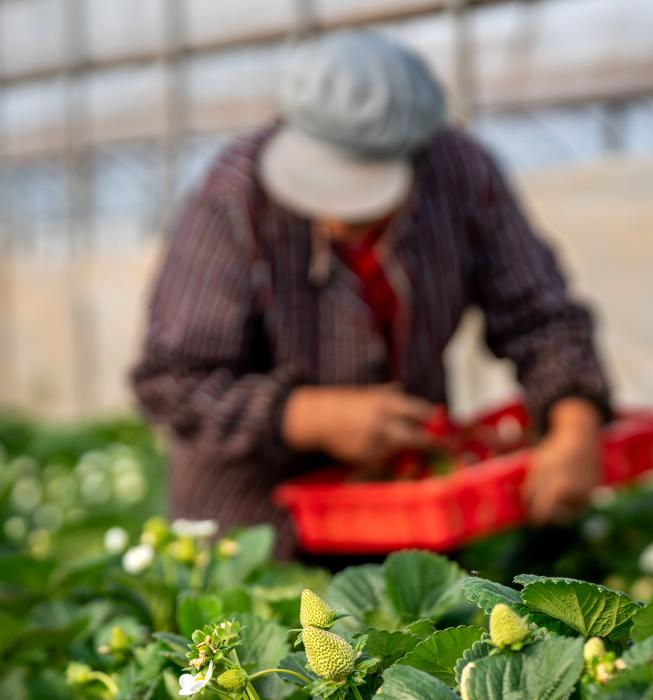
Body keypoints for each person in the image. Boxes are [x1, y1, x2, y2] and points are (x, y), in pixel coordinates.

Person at [133, 30, 610, 559]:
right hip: (253, 529)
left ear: (417, 156)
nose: (338, 215)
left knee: (412, 633)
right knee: (269, 637)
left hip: (409, 516)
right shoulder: (234, 198)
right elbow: (171, 379)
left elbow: (539, 316)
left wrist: (574, 425)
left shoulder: (462, 175)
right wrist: (306, 414)